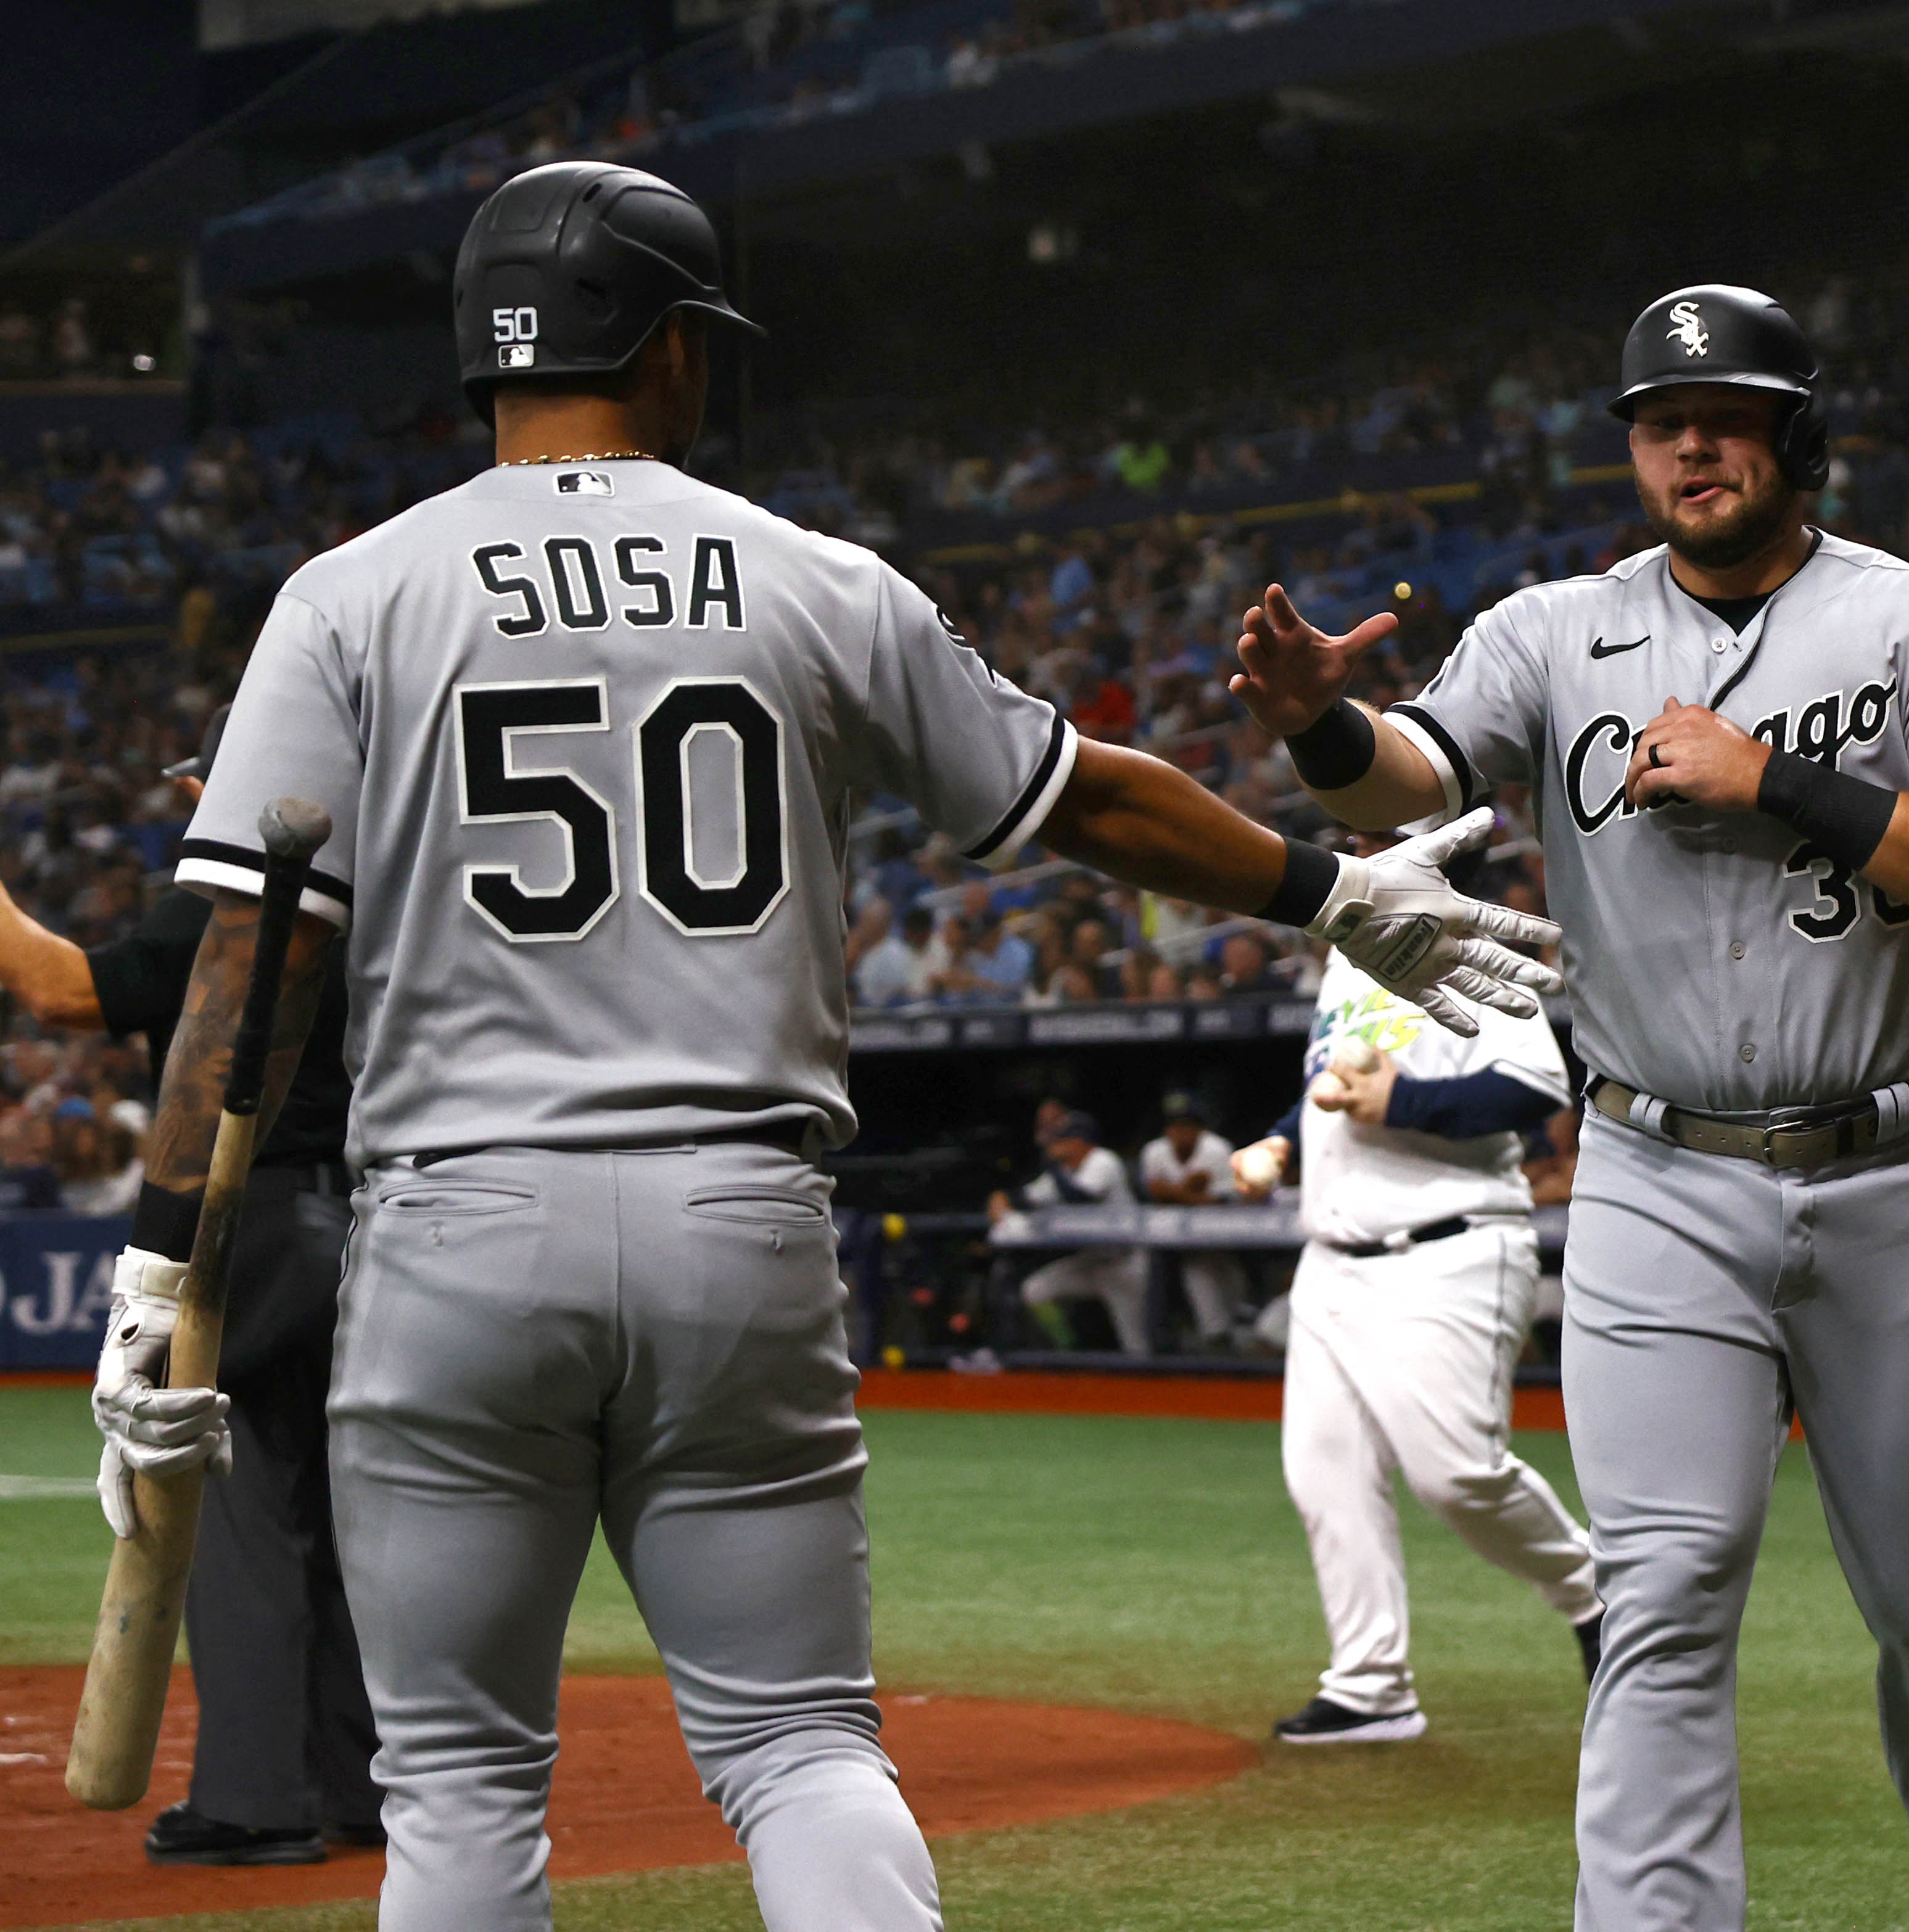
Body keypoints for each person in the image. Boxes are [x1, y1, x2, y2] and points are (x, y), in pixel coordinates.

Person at [91, 161, 1554, 1932]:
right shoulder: (808, 577)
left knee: (464, 1792)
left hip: (458, 1226)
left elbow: (245, 960)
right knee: (796, 1742)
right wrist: (1326, 888)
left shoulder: (347, 596)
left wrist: (158, 1273)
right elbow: (1080, 796)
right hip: (737, 1221)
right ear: (666, 345)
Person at [1231, 283, 1909, 1932]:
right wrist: (1319, 720)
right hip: (1651, 1172)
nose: (1689, 441)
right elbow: (1416, 778)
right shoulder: (1553, 628)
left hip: (1893, 1164)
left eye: (1728, 412)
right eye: (1659, 419)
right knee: (1664, 1587)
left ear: (1794, 435)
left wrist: (1780, 782)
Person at [6, 705, 381, 1867]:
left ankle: (258, 1799)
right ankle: (360, 1787)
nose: (185, 806)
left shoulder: (249, 896)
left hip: (255, 1220)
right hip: (373, 1214)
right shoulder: (393, 882)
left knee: (232, 1508)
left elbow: (72, 991)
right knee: (340, 1520)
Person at [1229, 894, 1598, 1742]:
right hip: (1330, 1259)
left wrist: (1401, 1104)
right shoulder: (1342, 963)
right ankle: (1370, 1683)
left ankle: (1593, 1594)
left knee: (1457, 1474)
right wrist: (1282, 1142)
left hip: (1446, 1244)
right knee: (1323, 1472)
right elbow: (1336, 1078)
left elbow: (1534, 1087)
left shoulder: (1461, 947)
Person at [992, 1109, 1152, 1354]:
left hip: (1125, 1264)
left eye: (1062, 1139)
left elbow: (1080, 1196)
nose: (1056, 1145)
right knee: (1035, 1292)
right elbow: (1026, 1197)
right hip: (1091, 1262)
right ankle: (1070, 1350)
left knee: (1136, 1347)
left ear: (1079, 1141)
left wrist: (1052, 1166)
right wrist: (1001, 1198)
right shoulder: (1063, 1171)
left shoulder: (1103, 1161)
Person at [1136, 1091, 1247, 1350]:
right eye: (1174, 1125)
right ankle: (1213, 1335)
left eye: (1188, 1125)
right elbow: (1154, 1193)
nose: (1180, 1131)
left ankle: (1233, 1325)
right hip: (1172, 1238)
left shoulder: (1217, 1148)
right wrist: (1188, 1191)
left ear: (1200, 1129)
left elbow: (1218, 1201)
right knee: (1191, 1270)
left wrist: (1171, 1192)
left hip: (1221, 1235)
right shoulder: (1154, 1151)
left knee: (1220, 1275)